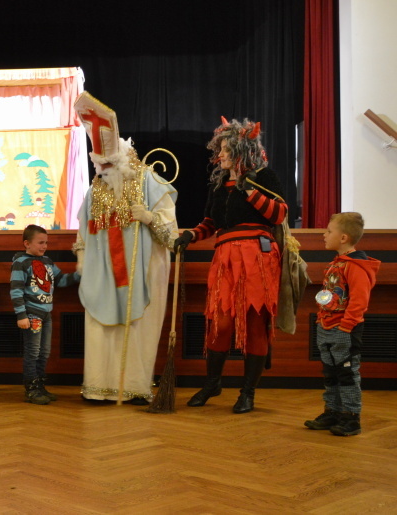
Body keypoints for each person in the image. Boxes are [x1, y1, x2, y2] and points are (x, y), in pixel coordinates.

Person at [174, 117, 288, 413]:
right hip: (225, 256)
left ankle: (247, 393)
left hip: (257, 256)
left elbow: (278, 214)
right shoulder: (217, 185)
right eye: (220, 149)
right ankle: (213, 383)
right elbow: (210, 223)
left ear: (241, 151)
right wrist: (191, 235)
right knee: (220, 322)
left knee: (255, 323)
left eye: (225, 149)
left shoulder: (263, 176)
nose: (220, 155)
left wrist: (248, 189)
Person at [72, 93, 178, 405]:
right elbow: (83, 229)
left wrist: (149, 218)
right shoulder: (95, 189)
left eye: (107, 166)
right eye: (98, 166)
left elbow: (171, 235)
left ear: (121, 161)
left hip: (142, 270)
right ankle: (99, 387)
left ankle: (133, 387)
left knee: (138, 329)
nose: (101, 172)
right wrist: (82, 257)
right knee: (100, 329)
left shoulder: (149, 181)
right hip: (102, 273)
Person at [304, 212, 380, 436]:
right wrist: (321, 318)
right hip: (326, 326)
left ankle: (351, 417)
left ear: (344, 237)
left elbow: (359, 300)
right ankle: (333, 412)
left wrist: (346, 325)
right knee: (330, 373)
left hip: (344, 329)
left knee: (346, 374)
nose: (324, 235)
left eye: (329, 231)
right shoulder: (336, 264)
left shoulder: (355, 266)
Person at [11, 225, 80, 405]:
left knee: (44, 352)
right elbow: (16, 291)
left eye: (46, 243)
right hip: (31, 313)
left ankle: (40, 386)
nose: (44, 246)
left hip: (46, 313)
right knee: (33, 352)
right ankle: (31, 389)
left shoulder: (48, 261)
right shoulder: (20, 263)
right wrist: (21, 315)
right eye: (40, 243)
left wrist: (80, 274)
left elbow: (61, 280)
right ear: (27, 243)